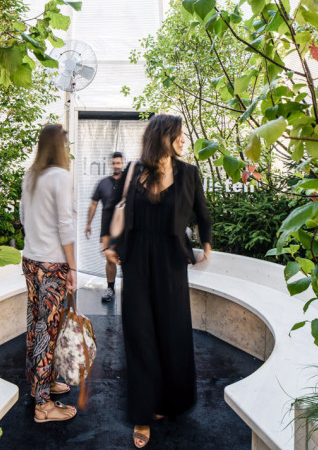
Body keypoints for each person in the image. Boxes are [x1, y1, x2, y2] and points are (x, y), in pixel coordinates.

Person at [102, 114, 212, 448]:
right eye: (178, 135)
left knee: (172, 333)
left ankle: (168, 399)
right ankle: (143, 412)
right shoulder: (134, 170)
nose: (183, 140)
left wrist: (206, 244)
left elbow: (203, 213)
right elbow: (116, 207)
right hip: (136, 261)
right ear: (161, 136)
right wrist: (110, 243)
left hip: (171, 263)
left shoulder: (189, 173)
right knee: (140, 335)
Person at [20, 124, 78, 424]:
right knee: (48, 331)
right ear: (59, 146)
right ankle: (43, 406)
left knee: (35, 326)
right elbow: (65, 225)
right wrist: (73, 267)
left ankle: (39, 384)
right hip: (53, 265)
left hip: (30, 260)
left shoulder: (30, 175)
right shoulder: (61, 176)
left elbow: (22, 216)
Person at [85, 151, 124, 302]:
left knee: (128, 259)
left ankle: (131, 290)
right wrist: (88, 223)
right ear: (111, 164)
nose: (116, 165)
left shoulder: (128, 182)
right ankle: (110, 289)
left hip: (125, 228)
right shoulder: (103, 183)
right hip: (107, 229)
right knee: (109, 259)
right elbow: (93, 204)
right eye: (114, 163)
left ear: (122, 163)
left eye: (118, 163)